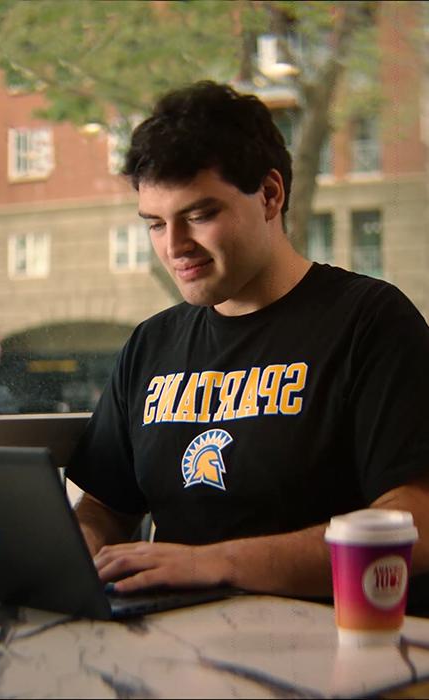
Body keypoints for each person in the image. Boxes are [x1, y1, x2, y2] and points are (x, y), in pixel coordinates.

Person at [66, 81, 429, 613]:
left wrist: (214, 563)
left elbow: (416, 522)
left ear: (270, 195)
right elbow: (105, 507)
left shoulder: (369, 321)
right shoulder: (152, 344)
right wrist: (73, 554)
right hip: (174, 643)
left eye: (198, 215)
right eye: (155, 224)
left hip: (334, 644)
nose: (174, 247)